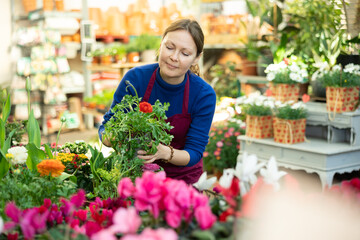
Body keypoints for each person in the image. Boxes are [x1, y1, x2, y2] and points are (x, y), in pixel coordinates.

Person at [98, 18, 216, 184]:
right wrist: (115, 139)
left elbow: (194, 152)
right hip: (136, 175)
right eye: (169, 47)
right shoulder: (135, 79)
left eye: (185, 53)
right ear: (161, 44)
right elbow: (107, 127)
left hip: (182, 181)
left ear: (196, 58)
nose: (174, 57)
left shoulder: (203, 94)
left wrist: (165, 153)